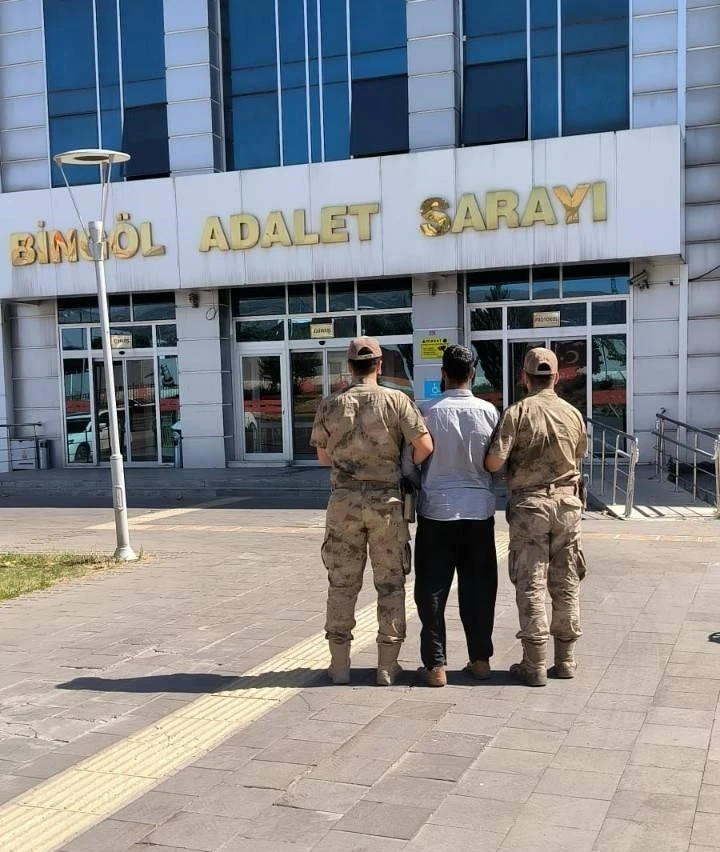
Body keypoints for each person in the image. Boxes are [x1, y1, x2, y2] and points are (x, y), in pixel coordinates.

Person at [311, 336, 433, 686]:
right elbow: (424, 446)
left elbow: (323, 457)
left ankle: (339, 665)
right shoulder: (397, 400)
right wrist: (401, 466)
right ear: (379, 365)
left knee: (342, 584)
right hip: (387, 504)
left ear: (350, 366)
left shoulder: (330, 404)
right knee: (391, 584)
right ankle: (386, 666)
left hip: (344, 503)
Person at [484, 346, 587, 687]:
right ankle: (566, 659)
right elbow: (579, 453)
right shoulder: (573, 414)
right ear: (556, 377)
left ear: (524, 377)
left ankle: (535, 663)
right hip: (568, 505)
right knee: (566, 582)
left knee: (531, 583)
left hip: (530, 507)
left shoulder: (517, 413)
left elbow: (494, 462)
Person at [407, 344, 499, 688]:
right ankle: (481, 660)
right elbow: (498, 462)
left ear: (442, 374)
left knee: (431, 590)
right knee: (479, 588)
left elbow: (410, 463)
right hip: (478, 512)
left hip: (436, 511)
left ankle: (435, 665)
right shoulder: (489, 412)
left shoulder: (426, 411)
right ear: (472, 373)